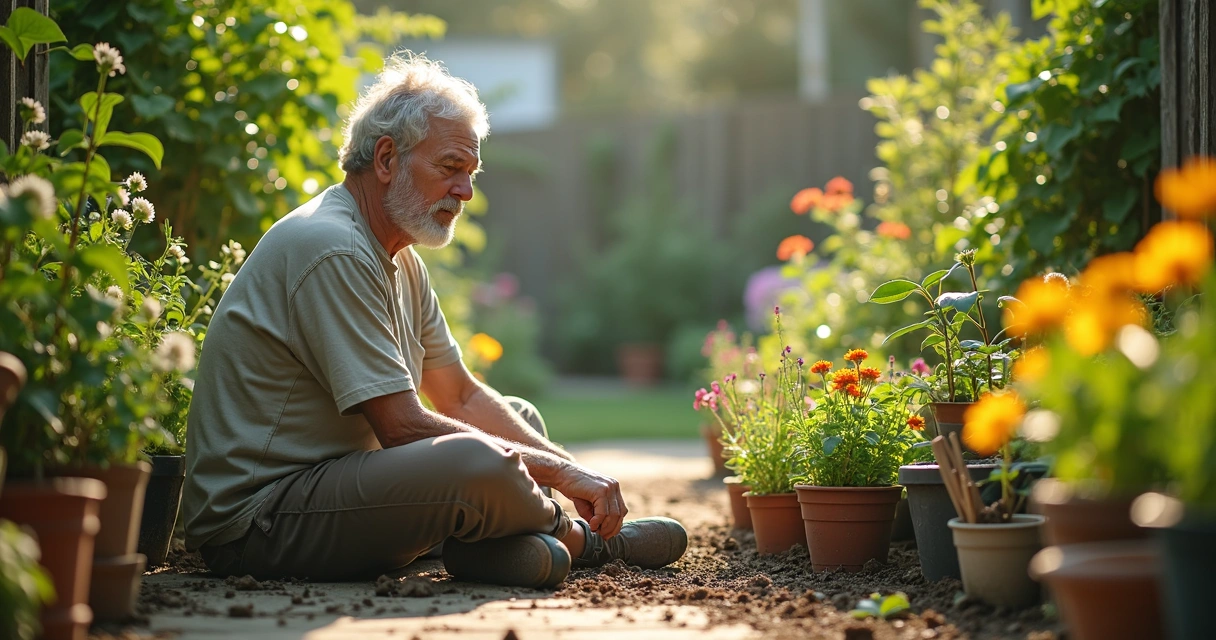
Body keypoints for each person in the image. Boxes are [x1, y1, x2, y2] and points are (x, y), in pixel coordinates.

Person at [180, 53, 687, 587]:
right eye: (450, 169)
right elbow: (401, 425)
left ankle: (485, 551)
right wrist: (559, 477)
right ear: (385, 159)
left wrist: (568, 467)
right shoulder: (332, 247)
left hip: (339, 492)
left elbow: (461, 396)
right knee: (478, 460)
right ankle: (592, 545)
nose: (465, 193)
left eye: (470, 175)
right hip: (259, 523)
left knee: (517, 419)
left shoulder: (400, 259)